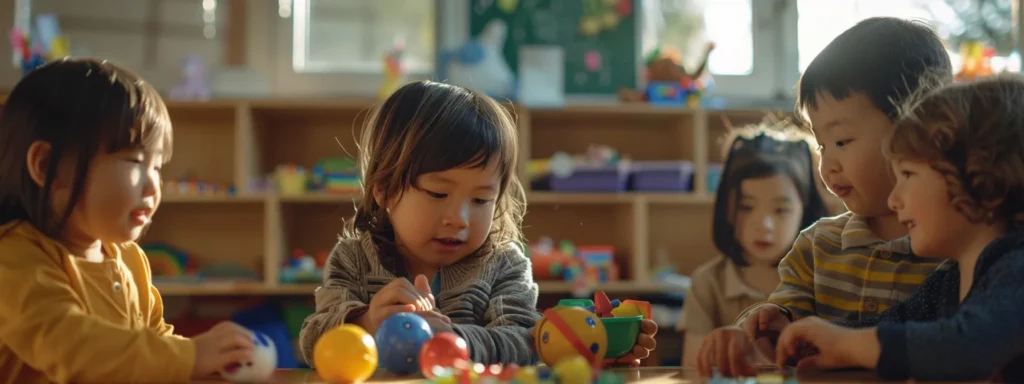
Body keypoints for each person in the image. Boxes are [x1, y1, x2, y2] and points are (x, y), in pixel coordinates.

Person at [297, 80, 658, 367]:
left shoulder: (502, 264)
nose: (459, 219)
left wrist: (456, 340)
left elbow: (527, 340)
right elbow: (312, 340)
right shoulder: (353, 259)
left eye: (482, 200)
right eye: (439, 194)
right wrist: (367, 324)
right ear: (384, 190)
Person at [695, 17, 953, 377]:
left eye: (843, 141)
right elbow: (779, 336)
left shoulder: (954, 250)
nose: (827, 163)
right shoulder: (817, 247)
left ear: (917, 131)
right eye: (821, 144)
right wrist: (751, 338)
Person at [0, 58, 255, 383]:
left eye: (158, 167)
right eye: (134, 162)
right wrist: (191, 356)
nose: (153, 186)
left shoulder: (130, 259)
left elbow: (153, 344)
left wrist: (209, 358)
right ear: (48, 166)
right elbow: (73, 347)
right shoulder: (13, 260)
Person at [776, 74, 1024, 382]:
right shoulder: (950, 281)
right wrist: (813, 339)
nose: (894, 200)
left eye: (907, 174)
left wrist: (848, 344)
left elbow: (969, 344)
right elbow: (893, 326)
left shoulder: (1017, 269)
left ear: (984, 181)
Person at [679, 122, 829, 367]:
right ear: (727, 209)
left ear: (805, 212)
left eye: (781, 210)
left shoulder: (825, 279)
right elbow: (695, 371)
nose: (764, 225)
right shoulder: (708, 283)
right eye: (746, 207)